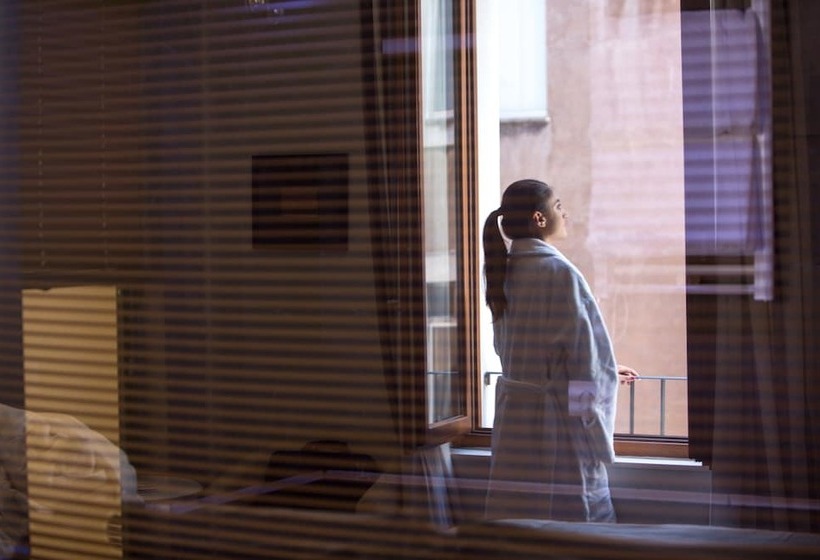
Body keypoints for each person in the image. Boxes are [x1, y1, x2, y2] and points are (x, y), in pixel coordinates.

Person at [483, 179, 638, 523]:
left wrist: (605, 368)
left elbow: (511, 347)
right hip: (556, 422)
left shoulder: (502, 271)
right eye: (558, 206)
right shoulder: (560, 273)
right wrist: (591, 426)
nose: (565, 213)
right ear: (540, 218)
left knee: (519, 517)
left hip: (514, 422)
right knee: (574, 521)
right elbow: (588, 362)